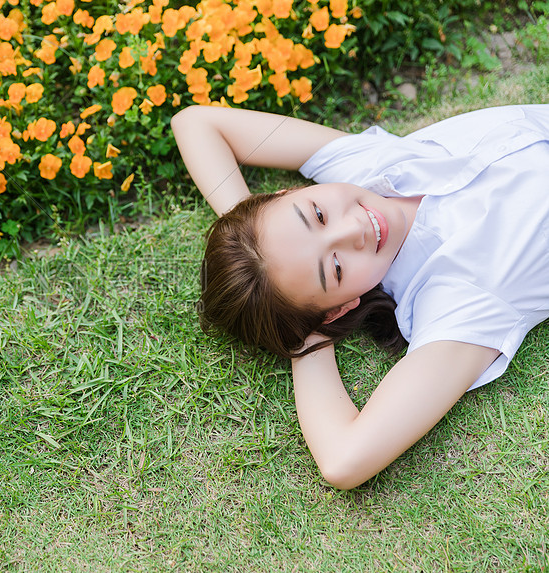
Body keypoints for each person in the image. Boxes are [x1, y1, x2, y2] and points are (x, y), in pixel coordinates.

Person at [171, 104, 549, 489]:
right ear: (341, 307)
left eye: (316, 215)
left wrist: (248, 222)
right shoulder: (460, 296)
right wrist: (312, 330)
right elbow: (341, 460)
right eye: (335, 268)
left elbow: (196, 122)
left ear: (289, 192)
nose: (354, 226)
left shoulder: (363, 169)